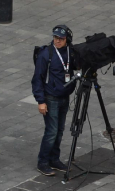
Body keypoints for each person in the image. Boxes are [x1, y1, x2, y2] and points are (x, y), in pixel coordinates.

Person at [32, 25, 76, 176]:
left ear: (67, 40)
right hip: (51, 98)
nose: (57, 41)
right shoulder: (46, 54)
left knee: (60, 130)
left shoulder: (70, 52)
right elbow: (37, 78)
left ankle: (54, 159)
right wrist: (40, 101)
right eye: (55, 38)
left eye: (61, 39)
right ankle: (43, 162)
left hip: (64, 97)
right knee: (51, 131)